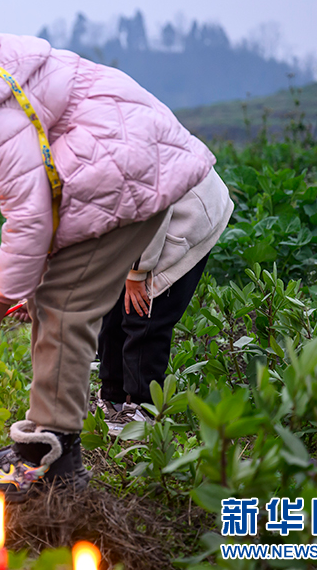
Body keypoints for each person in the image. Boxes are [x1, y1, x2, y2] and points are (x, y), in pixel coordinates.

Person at [0, 24, 217, 502]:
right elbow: (44, 201)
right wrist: (25, 290)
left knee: (65, 306)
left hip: (125, 166)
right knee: (56, 299)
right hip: (125, 158)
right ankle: (44, 444)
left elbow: (29, 213)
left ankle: (53, 458)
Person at [95, 170, 233, 434]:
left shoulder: (116, 157)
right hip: (142, 212)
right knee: (112, 302)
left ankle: (142, 407)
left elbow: (151, 210)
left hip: (184, 210)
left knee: (145, 310)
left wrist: (136, 272)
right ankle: (112, 397)